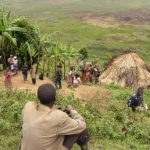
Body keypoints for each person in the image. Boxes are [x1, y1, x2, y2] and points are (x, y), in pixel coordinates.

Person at [19, 83, 88, 150]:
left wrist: (55, 109)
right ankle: (84, 146)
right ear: (54, 98)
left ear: (38, 97)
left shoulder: (28, 107)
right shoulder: (59, 117)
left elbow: (37, 105)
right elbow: (82, 124)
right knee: (79, 129)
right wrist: (72, 110)